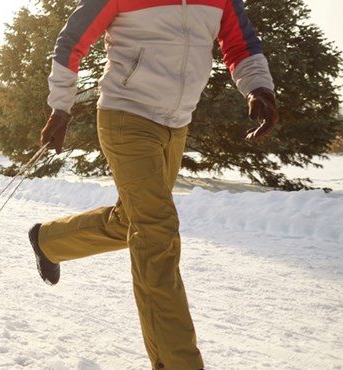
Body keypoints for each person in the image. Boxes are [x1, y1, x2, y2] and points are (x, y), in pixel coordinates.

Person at [29, 1, 278, 369]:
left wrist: (259, 88)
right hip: (126, 114)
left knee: (131, 221)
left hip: (177, 122)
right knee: (156, 233)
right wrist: (61, 106)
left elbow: (241, 44)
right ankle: (178, 362)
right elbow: (72, 41)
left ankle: (49, 240)